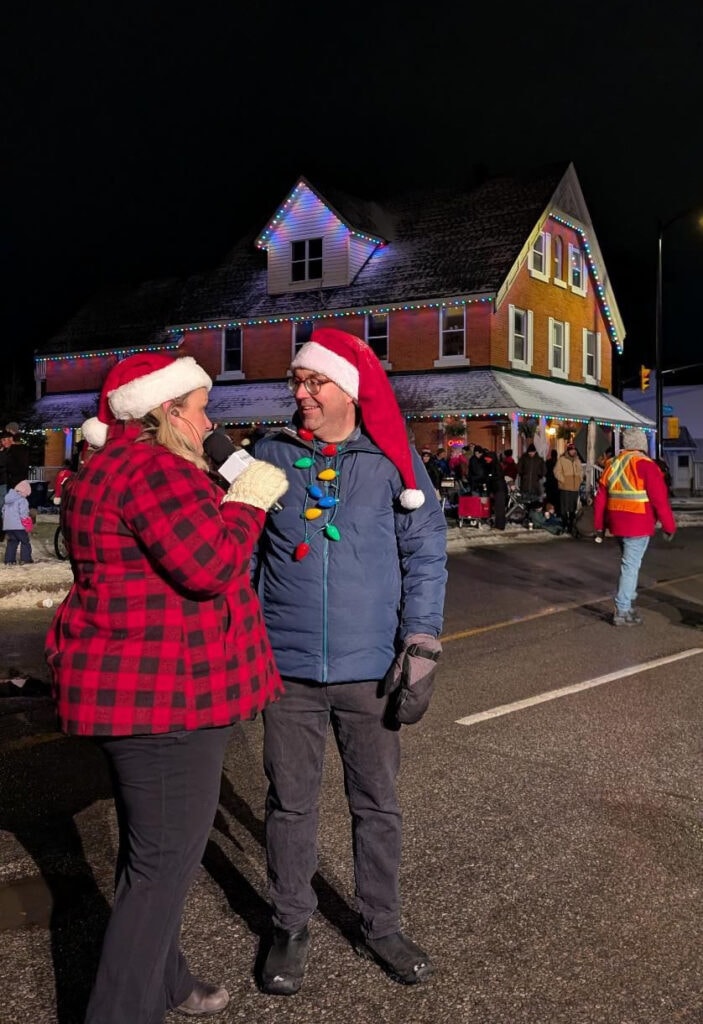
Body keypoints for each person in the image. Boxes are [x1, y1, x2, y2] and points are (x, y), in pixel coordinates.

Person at [44, 352, 289, 1024]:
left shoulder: (122, 466)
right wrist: (248, 498)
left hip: (151, 692)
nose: (211, 422)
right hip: (166, 700)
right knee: (160, 871)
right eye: (202, 407)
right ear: (166, 410)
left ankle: (168, 982)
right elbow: (210, 564)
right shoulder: (152, 469)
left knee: (152, 859)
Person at [252, 328, 447, 995]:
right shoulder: (269, 455)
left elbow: (424, 554)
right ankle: (288, 921)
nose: (300, 394)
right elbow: (242, 556)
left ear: (347, 390)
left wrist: (420, 644)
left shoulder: (393, 461)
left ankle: (381, 923)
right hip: (288, 670)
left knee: (376, 804)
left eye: (313, 383)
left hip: (371, 670)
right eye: (296, 383)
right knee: (289, 803)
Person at [593, 427, 676, 626]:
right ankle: (622, 609)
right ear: (642, 445)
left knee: (631, 564)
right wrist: (669, 526)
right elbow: (659, 500)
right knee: (630, 566)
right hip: (638, 523)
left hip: (617, 523)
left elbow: (600, 498)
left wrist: (599, 526)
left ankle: (628, 605)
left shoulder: (612, 464)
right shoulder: (646, 466)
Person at [554, 441, 584, 534]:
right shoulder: (562, 460)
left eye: (574, 450)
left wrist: (580, 479)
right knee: (564, 508)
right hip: (565, 487)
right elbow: (556, 471)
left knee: (572, 508)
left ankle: (570, 525)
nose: (573, 452)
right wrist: (563, 480)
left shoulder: (577, 460)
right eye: (571, 450)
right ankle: (564, 524)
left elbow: (580, 471)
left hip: (575, 487)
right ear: (568, 451)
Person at [2, 478, 34, 565]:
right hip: (19, 526)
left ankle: (9, 560)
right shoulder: (22, 500)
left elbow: (3, 511)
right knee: (25, 541)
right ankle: (25, 559)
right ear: (24, 492)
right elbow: (23, 514)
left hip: (8, 526)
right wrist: (27, 523)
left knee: (12, 542)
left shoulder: (7, 500)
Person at [482, 450, 508, 530]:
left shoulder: (496, 466)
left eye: (487, 458)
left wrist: (490, 477)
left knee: (499, 508)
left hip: (499, 489)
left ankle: (500, 526)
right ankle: (498, 524)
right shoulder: (491, 466)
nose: (486, 460)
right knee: (498, 508)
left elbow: (498, 477)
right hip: (496, 489)